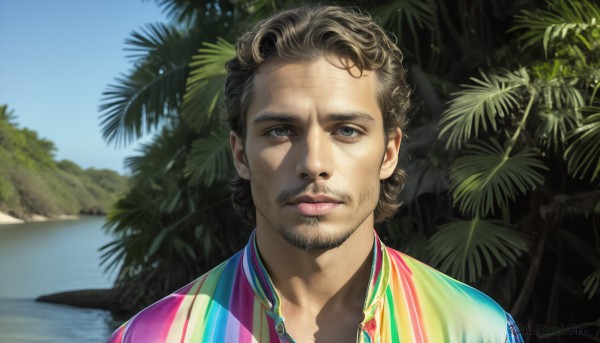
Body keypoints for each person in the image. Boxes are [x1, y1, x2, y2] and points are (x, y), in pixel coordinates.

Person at [107, 5, 523, 343]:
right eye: (281, 130)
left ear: (389, 153)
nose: (313, 163)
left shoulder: (477, 330)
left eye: (347, 130)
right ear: (240, 155)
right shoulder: (151, 337)